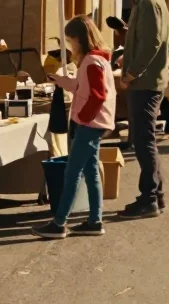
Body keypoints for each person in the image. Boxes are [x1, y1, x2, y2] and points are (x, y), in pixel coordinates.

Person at [33, 15, 117, 239]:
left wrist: (82, 118)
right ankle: (95, 221)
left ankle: (59, 222)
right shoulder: (97, 60)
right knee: (90, 172)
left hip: (90, 123)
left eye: (70, 41)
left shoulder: (91, 62)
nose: (69, 45)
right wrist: (62, 81)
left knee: (72, 173)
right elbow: (83, 88)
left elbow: (97, 96)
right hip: (95, 123)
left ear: (80, 40)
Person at [116, 0, 169, 219]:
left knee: (142, 140)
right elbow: (144, 41)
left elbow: (152, 44)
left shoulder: (149, 3)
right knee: (143, 139)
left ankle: (149, 198)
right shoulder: (143, 2)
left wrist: (130, 74)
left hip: (145, 83)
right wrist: (125, 58)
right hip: (145, 80)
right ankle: (155, 197)